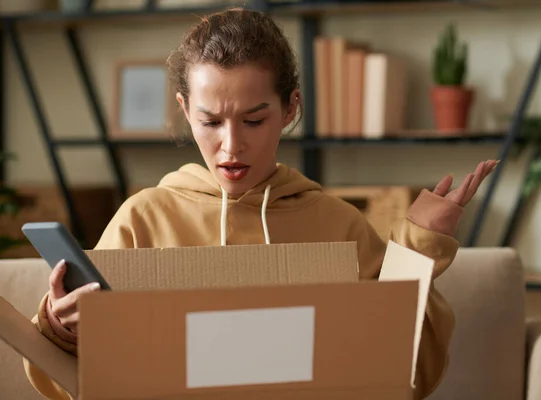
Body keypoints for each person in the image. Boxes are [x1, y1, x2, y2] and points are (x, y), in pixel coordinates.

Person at [23, 7, 497, 400]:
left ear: (290, 109)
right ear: (185, 110)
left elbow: (404, 374)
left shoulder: (336, 224)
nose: (231, 147)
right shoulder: (143, 218)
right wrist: (62, 326)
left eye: (254, 120)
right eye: (210, 122)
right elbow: (72, 383)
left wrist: (419, 246)